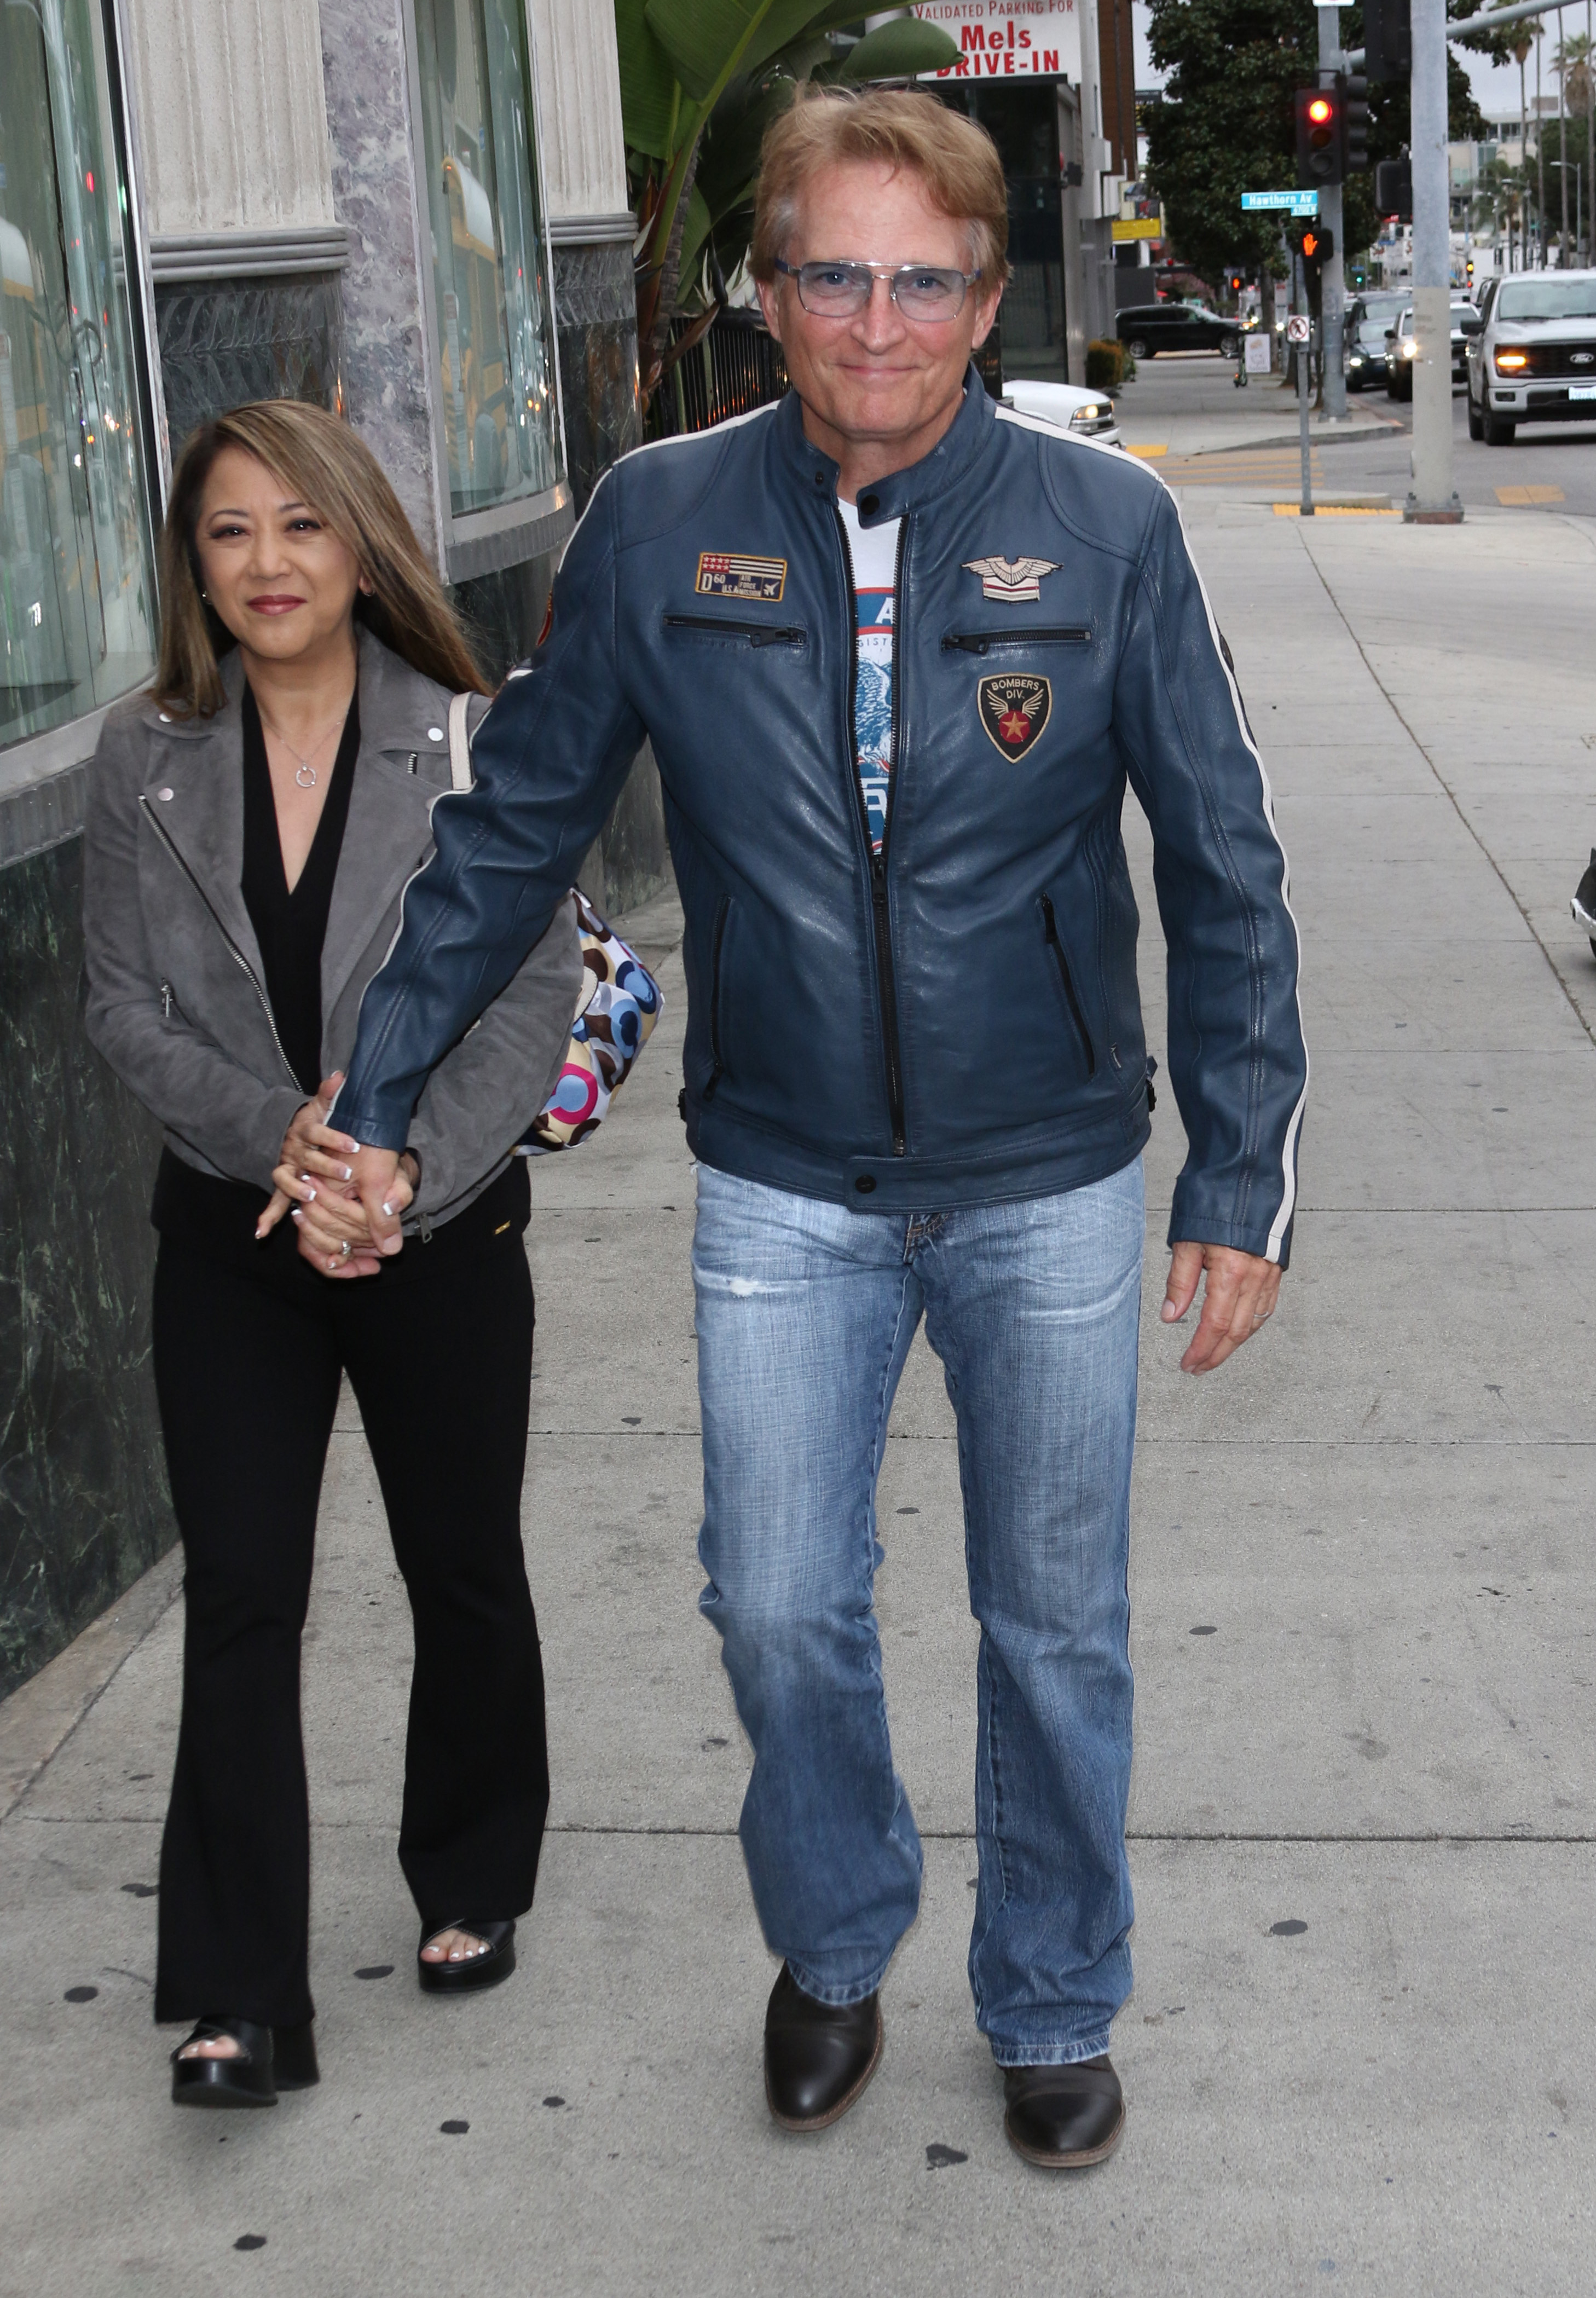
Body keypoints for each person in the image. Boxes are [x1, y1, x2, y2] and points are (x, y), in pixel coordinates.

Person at [327, 89, 1308, 2168]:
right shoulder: (660, 521)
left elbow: (1221, 866)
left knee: (1053, 1628)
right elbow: (512, 837)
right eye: (835, 273)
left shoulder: (1107, 528)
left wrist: (1235, 1174)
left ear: (981, 297)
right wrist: (382, 1091)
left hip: (1046, 1172)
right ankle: (836, 1944)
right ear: (768, 293)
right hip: (781, 1177)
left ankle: (1048, 1995)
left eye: (926, 279)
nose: (881, 320)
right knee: (776, 1605)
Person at [83, 401, 582, 2108]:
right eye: (229, 533)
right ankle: (238, 1995)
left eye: (301, 526)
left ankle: (470, 1871)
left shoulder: (469, 741)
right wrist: (274, 1144)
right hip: (230, 1238)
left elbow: (532, 996)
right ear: (193, 567)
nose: (267, 564)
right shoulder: (141, 754)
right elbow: (120, 1007)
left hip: (433, 1227)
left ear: (361, 544)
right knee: (243, 1593)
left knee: (459, 1563)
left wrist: (398, 1167)